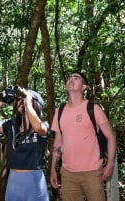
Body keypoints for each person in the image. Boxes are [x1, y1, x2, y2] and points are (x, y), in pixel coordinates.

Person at [50, 71, 117, 201]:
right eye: (69, 78)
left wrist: (110, 165)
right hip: (68, 173)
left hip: (92, 171)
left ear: (84, 87)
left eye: (76, 78)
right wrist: (53, 168)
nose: (71, 79)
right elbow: (58, 142)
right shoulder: (60, 111)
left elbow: (111, 137)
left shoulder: (93, 108)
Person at [0, 86, 50, 201]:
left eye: (25, 98)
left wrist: (27, 101)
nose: (21, 101)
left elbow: (38, 127)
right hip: (13, 181)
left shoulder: (43, 125)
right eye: (19, 99)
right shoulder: (12, 125)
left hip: (34, 181)